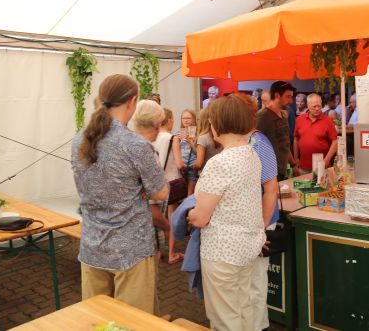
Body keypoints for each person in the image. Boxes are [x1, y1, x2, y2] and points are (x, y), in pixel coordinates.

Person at [71, 74, 168, 315]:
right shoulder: (135, 145)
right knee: (134, 322)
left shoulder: (78, 141)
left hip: (93, 244)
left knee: (96, 319)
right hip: (131, 249)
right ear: (132, 102)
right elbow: (161, 192)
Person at [188, 94, 265, 331]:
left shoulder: (220, 162)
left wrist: (189, 215)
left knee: (225, 319)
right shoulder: (251, 154)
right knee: (246, 310)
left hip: (223, 252)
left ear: (219, 124)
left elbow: (200, 217)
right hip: (248, 246)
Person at [238, 94, 280, 330]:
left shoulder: (258, 142)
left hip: (259, 222)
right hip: (250, 222)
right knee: (248, 281)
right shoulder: (244, 142)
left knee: (255, 280)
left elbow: (271, 189)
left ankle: (257, 326)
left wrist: (261, 229)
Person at [151, 107, 185, 264]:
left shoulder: (152, 137)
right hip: (171, 182)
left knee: (155, 218)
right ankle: (171, 254)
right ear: (170, 120)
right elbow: (179, 164)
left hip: (156, 183)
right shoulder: (173, 138)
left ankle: (157, 252)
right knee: (171, 218)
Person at [257, 81, 299, 181]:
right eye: (288, 96)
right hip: (268, 174)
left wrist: (293, 164)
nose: (291, 101)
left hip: (282, 171)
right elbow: (252, 144)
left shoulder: (283, 115)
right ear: (277, 95)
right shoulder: (263, 116)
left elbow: (284, 143)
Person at [293, 93, 338, 173]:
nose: (317, 109)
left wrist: (326, 160)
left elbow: (335, 142)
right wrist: (296, 159)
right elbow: (296, 139)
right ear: (308, 105)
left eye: (319, 106)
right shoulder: (299, 120)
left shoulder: (327, 120)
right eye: (314, 106)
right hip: (303, 166)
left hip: (322, 166)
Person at [194, 106, 223, 173]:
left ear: (202, 121)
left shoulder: (203, 138)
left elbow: (199, 164)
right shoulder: (221, 136)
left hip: (206, 174)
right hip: (219, 172)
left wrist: (192, 167)